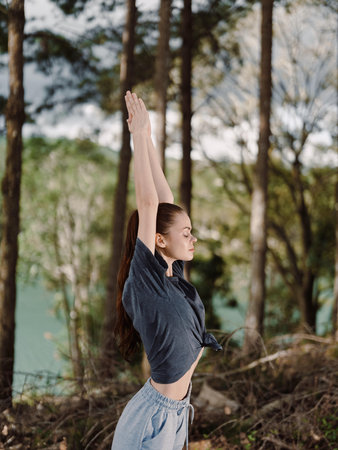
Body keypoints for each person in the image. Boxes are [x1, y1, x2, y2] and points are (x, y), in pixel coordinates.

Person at [111, 91, 222, 450]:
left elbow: (164, 195)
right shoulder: (145, 281)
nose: (193, 240)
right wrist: (137, 137)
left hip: (177, 414)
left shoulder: (174, 280)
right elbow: (149, 202)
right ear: (158, 239)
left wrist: (149, 137)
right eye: (185, 233)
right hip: (153, 418)